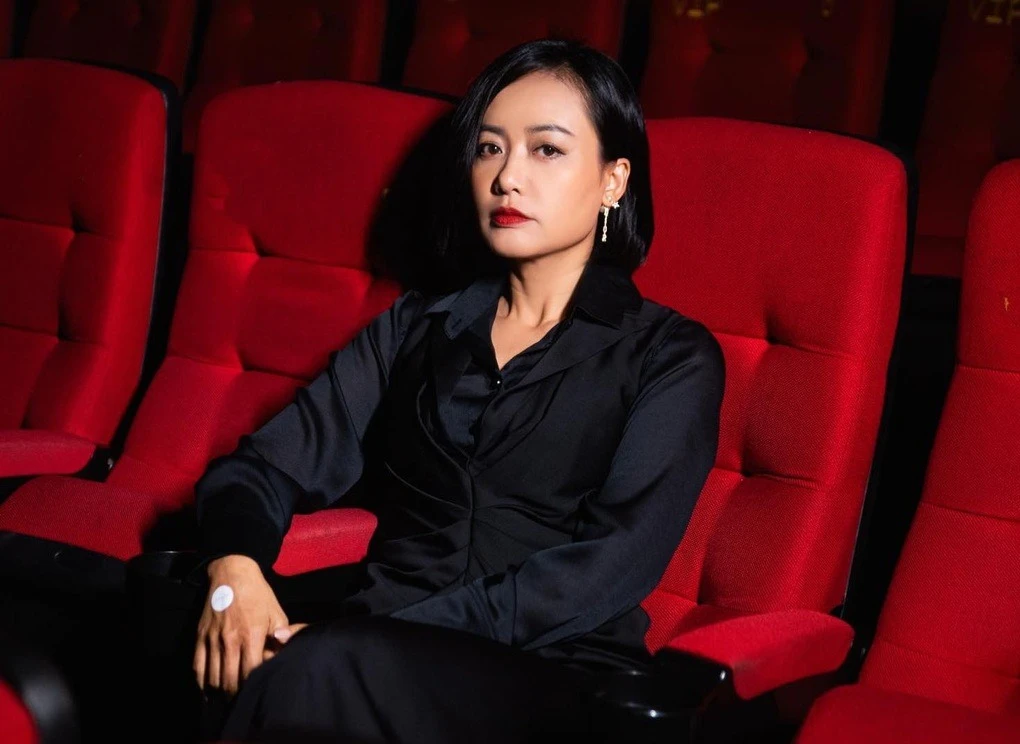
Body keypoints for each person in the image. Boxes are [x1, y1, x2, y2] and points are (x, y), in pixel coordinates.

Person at [189, 38, 725, 742]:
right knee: (211, 641)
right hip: (370, 654)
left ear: (612, 181)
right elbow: (263, 467)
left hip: (553, 674)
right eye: (489, 148)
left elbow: (612, 565)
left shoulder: (670, 355)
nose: (507, 178)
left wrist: (384, 637)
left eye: (547, 150)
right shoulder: (416, 325)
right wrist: (235, 572)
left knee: (314, 672)